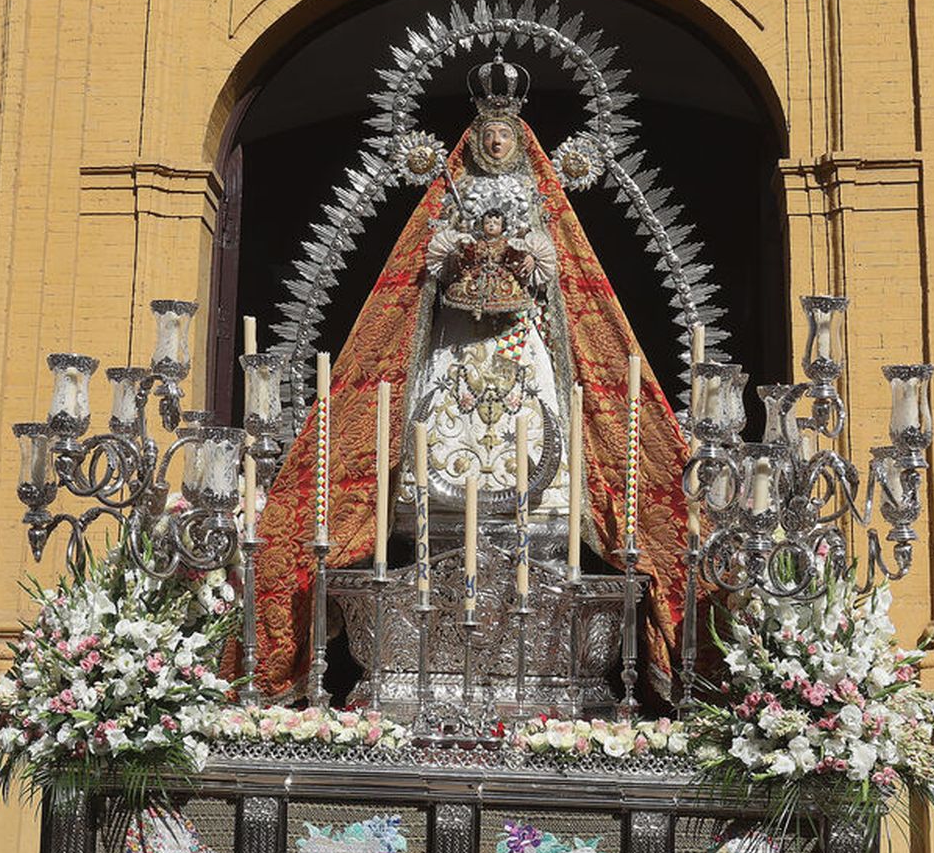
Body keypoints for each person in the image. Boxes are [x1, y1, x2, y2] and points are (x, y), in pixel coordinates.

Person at [249, 54, 693, 701]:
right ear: (475, 141)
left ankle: (538, 534)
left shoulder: (541, 201)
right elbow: (426, 265)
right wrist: (453, 254)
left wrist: (524, 256)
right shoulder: (450, 197)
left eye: (503, 136)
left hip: (520, 341)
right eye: (486, 136)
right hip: (458, 336)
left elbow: (551, 270)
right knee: (436, 418)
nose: (493, 142)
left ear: (518, 141)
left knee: (538, 418)